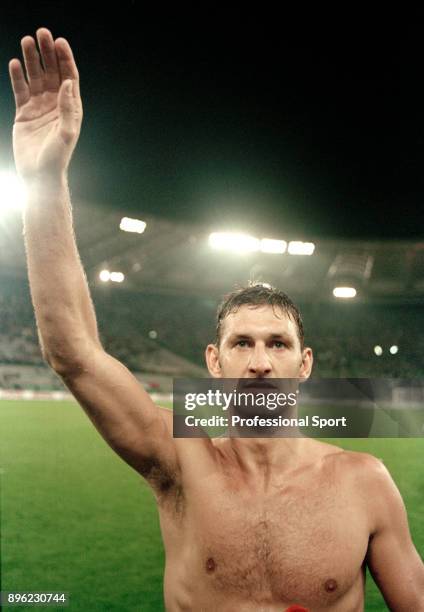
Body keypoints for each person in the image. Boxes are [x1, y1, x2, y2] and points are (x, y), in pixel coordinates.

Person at [8, 27, 424, 612]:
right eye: (242, 343)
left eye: (278, 344)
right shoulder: (176, 458)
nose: (259, 362)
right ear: (214, 360)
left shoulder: (365, 481)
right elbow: (72, 351)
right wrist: (43, 181)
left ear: (305, 364)